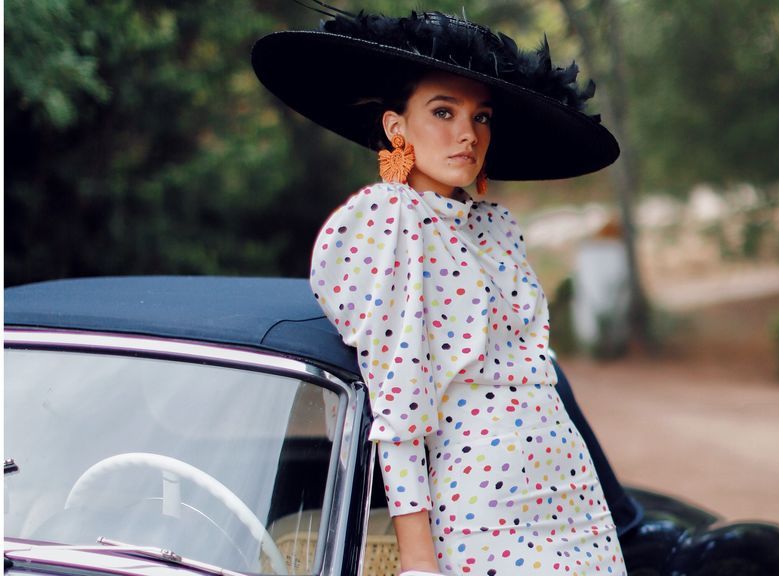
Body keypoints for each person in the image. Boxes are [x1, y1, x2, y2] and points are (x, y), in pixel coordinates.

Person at [252, 10, 626, 576]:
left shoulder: (493, 229)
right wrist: (419, 560)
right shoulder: (387, 222)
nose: (467, 134)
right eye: (443, 111)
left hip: (571, 491)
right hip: (486, 501)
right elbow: (398, 397)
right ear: (396, 128)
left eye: (481, 117)